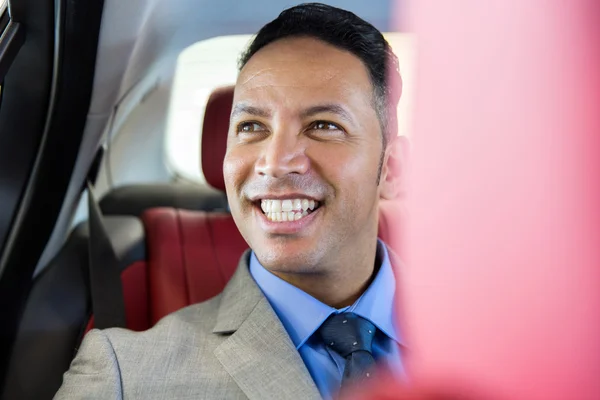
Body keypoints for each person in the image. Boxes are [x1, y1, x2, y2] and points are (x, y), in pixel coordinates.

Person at [55, 3, 404, 399]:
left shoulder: (484, 326)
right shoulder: (125, 375)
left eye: (323, 125)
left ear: (391, 170)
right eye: (251, 127)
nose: (274, 163)